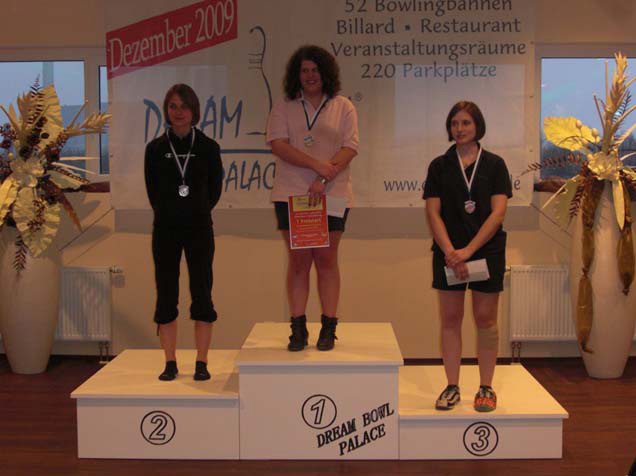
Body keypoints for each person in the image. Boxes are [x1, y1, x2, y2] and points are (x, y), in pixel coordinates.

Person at [266, 45, 359, 351]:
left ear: (325, 73)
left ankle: (329, 328)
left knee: (327, 261)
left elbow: (350, 148)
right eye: (304, 70)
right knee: (298, 263)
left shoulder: (343, 106)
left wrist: (323, 178)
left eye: (315, 70)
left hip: (333, 195)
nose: (310, 75)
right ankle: (298, 328)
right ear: (297, 74)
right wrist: (316, 166)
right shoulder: (284, 107)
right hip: (292, 195)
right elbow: (278, 145)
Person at [423, 101, 512, 412]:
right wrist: (451, 252)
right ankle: (452, 386)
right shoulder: (439, 166)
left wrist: (468, 252)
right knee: (450, 320)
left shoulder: (495, 164)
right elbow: (433, 213)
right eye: (454, 123)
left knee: (485, 320)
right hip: (448, 254)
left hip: (486, 252)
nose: (459, 129)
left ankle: (486, 387)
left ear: (477, 126)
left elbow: (498, 213)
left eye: (465, 123)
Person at [144, 83, 223, 381]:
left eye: (184, 106)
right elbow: (153, 192)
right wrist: (172, 213)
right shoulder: (155, 149)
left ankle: (202, 362)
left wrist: (195, 210)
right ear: (167, 110)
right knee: (166, 295)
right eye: (173, 106)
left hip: (199, 229)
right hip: (165, 231)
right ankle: (170, 362)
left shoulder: (208, 148)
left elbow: (214, 191)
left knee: (202, 294)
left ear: (194, 111)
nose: (178, 112)